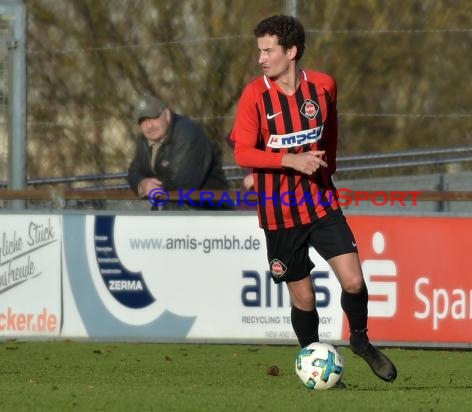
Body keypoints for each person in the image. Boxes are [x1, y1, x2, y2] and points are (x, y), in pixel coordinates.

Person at [230, 15, 397, 383]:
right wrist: (289, 160)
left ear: (291, 51)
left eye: (268, 50)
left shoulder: (323, 87)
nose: (261, 58)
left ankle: (361, 341)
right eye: (259, 50)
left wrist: (327, 170)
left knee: (353, 281)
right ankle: (312, 360)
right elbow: (242, 152)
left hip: (320, 203)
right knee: (304, 299)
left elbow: (331, 130)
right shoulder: (255, 96)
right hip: (279, 214)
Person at [127, 94, 229, 210]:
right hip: (172, 207)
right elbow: (133, 172)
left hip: (206, 209)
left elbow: (180, 182)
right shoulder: (144, 140)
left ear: (167, 115)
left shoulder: (188, 134)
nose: (148, 126)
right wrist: (143, 184)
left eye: (153, 118)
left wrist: (150, 186)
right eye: (143, 121)